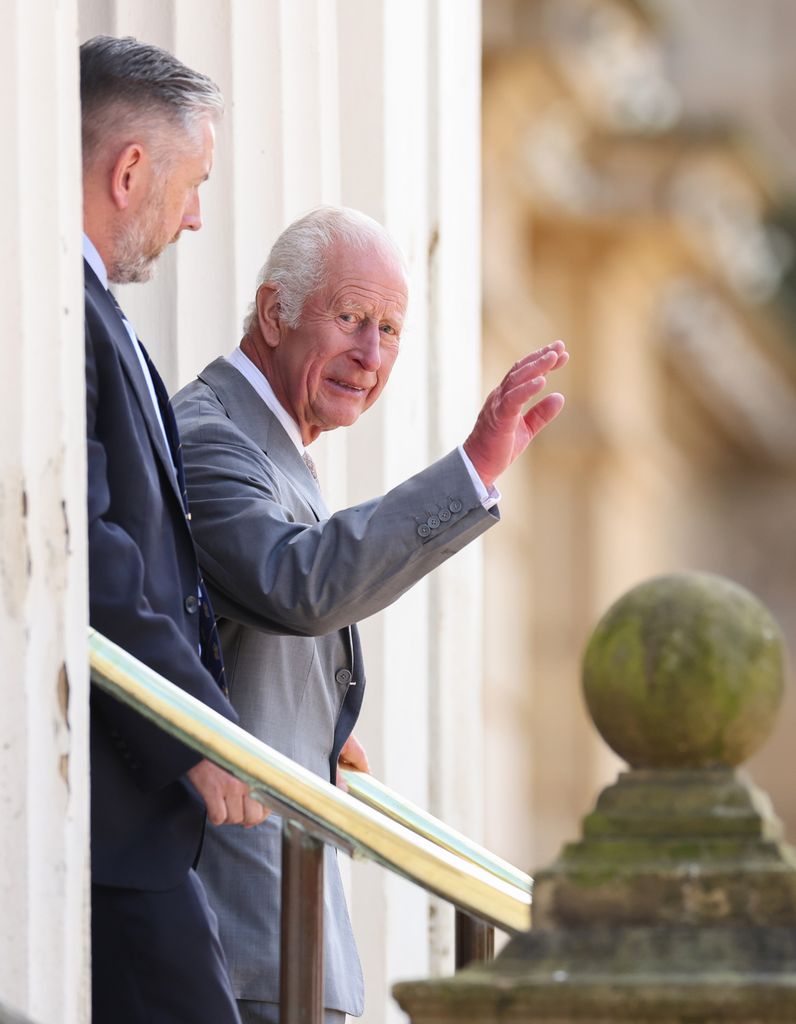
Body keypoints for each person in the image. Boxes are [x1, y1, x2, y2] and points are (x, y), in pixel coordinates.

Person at [172, 206, 568, 1024]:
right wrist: (473, 467)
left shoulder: (272, 448)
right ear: (275, 311)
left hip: (285, 921)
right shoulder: (212, 439)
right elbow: (298, 584)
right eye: (351, 319)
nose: (371, 355)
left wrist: (317, 726)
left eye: (390, 329)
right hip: (245, 931)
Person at [81, 35, 267, 1024]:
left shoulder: (105, 325)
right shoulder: (57, 313)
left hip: (138, 822)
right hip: (113, 813)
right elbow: (95, 558)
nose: (198, 216)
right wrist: (194, 731)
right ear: (129, 171)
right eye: (192, 184)